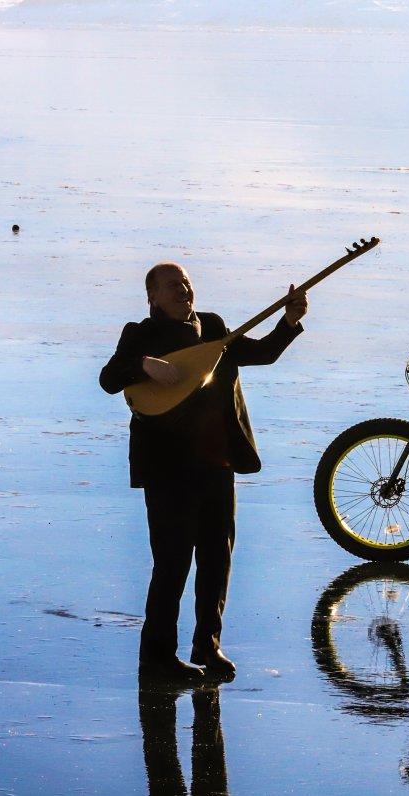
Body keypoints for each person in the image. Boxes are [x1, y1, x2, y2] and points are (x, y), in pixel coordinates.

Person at [100, 262, 307, 681]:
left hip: (217, 462)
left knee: (217, 558)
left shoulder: (213, 328)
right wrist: (144, 365)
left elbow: (262, 353)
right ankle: (156, 656)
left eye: (187, 284)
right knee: (172, 562)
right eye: (173, 286)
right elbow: (109, 378)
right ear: (153, 297)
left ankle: (207, 645)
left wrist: (289, 320)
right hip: (168, 467)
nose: (184, 291)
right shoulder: (139, 334)